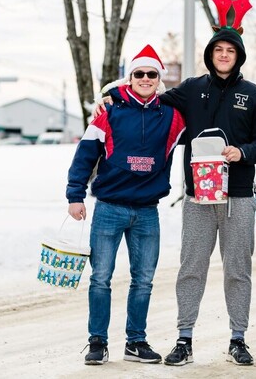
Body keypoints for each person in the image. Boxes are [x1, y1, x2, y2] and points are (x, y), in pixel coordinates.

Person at [94, 0, 256, 366]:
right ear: (210, 54)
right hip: (197, 197)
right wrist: (110, 96)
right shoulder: (193, 89)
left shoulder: (253, 95)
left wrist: (243, 152)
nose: (223, 55)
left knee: (238, 270)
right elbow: (148, 94)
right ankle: (185, 338)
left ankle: (238, 339)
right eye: (218, 50)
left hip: (238, 197)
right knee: (191, 267)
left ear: (238, 56)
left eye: (230, 51)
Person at [66, 45, 185, 366]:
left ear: (159, 80)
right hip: (109, 207)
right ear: (129, 78)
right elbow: (85, 155)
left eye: (151, 74)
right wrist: (75, 195)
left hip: (148, 211)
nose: (145, 78)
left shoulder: (173, 117)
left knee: (143, 280)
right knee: (100, 278)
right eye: (139, 74)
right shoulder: (108, 113)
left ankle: (136, 341)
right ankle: (97, 341)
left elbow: (207, 119)